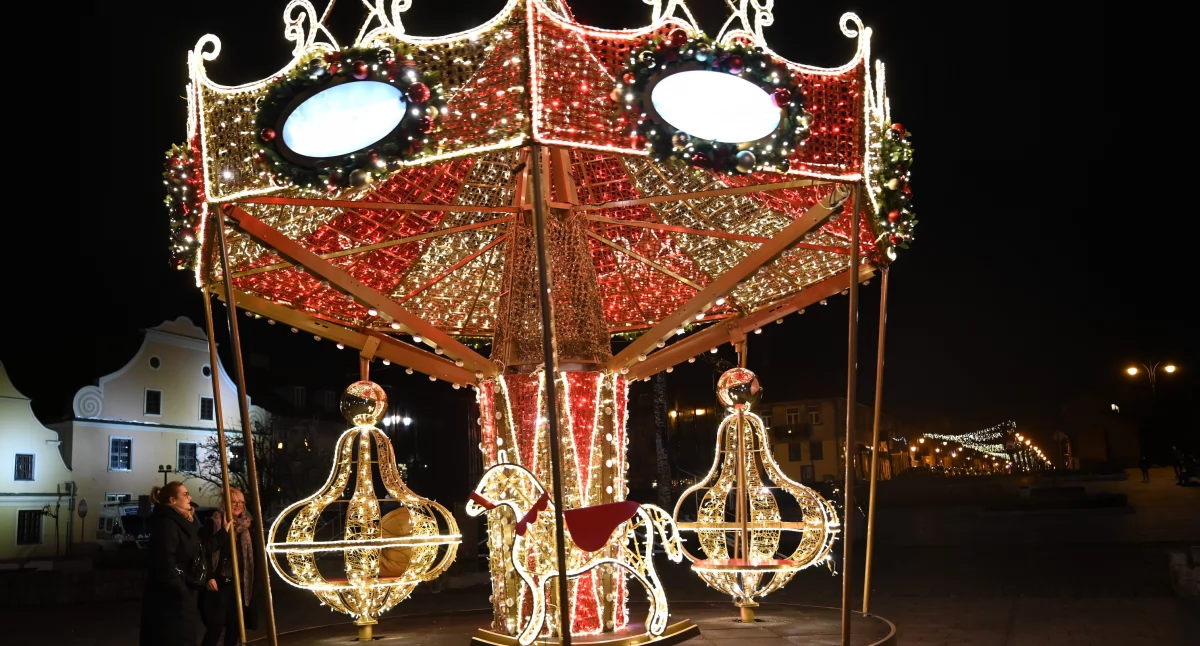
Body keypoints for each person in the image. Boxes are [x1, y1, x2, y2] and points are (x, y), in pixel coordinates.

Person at [139, 481, 205, 646]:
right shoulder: (167, 523)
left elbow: (198, 547)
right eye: (185, 494)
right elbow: (165, 562)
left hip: (182, 594)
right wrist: (181, 590)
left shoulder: (185, 520)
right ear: (172, 501)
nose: (190, 497)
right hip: (170, 600)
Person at [200, 488, 255, 646]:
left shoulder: (247, 525)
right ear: (225, 504)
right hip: (220, 581)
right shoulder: (214, 523)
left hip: (240, 581)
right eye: (234, 502)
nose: (238, 505)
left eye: (241, 502)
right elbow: (205, 551)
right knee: (216, 624)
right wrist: (209, 576)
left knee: (235, 624)